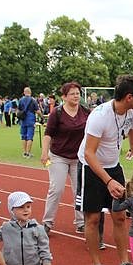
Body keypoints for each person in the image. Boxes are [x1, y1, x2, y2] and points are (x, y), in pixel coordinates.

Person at [76, 74, 133, 265]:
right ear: (129, 97)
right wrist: (108, 181)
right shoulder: (99, 116)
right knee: (93, 219)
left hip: (113, 166)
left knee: (120, 217)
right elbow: (89, 153)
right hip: (90, 167)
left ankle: (124, 263)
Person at [41, 81, 88, 234]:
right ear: (64, 97)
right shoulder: (57, 113)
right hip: (58, 156)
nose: (76, 96)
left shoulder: (86, 112)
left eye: (77, 93)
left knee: (79, 190)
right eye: (72, 94)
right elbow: (48, 134)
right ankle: (47, 222)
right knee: (56, 189)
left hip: (78, 158)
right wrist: (44, 153)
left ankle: (81, 222)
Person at [18, 87, 40, 158]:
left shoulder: (21, 100)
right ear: (30, 92)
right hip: (31, 119)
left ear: (24, 92)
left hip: (23, 119)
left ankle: (24, 152)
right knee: (30, 137)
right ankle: (28, 153)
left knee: (23, 136)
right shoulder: (33, 100)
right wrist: (42, 117)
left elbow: (18, 110)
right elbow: (37, 111)